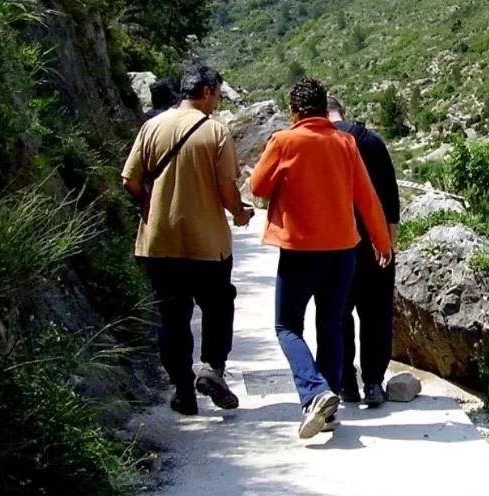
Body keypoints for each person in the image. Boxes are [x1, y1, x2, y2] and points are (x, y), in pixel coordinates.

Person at [250, 78, 393, 439]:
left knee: (287, 326)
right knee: (330, 325)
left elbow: (257, 187)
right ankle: (327, 407)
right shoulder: (346, 142)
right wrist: (381, 242)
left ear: (294, 111)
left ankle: (314, 393)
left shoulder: (284, 141)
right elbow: (368, 198)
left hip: (299, 252)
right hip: (343, 252)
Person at [121, 64, 253, 416]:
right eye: (219, 94)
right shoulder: (215, 132)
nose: (219, 100)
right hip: (208, 243)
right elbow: (227, 189)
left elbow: (130, 180)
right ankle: (212, 368)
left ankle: (183, 391)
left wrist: (150, 205)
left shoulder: (151, 127)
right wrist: (240, 214)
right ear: (207, 92)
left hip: (159, 243)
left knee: (171, 318)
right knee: (218, 304)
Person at [327, 96, 401, 408]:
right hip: (373, 244)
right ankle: (373, 383)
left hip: (332, 247)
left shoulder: (317, 144)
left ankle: (345, 383)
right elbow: (391, 201)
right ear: (341, 112)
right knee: (376, 314)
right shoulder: (371, 142)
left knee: (338, 316)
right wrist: (390, 245)